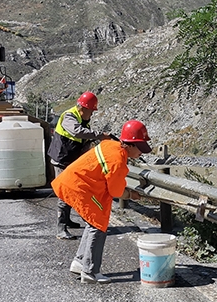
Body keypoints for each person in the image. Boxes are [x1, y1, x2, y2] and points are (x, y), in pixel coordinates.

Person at [51, 120, 151, 284]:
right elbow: (116, 191)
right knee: (98, 225)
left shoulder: (110, 145)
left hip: (75, 182)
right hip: (80, 187)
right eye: (141, 148)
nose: (142, 153)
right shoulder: (118, 160)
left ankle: (79, 261)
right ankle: (90, 271)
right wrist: (131, 194)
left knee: (93, 223)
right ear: (131, 145)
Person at [48, 91, 112, 239]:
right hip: (61, 159)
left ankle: (68, 220)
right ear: (84, 108)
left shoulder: (83, 120)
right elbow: (77, 132)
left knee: (74, 190)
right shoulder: (69, 116)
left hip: (70, 160)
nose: (92, 114)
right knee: (65, 193)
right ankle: (61, 229)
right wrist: (99, 135)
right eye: (91, 111)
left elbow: (83, 140)